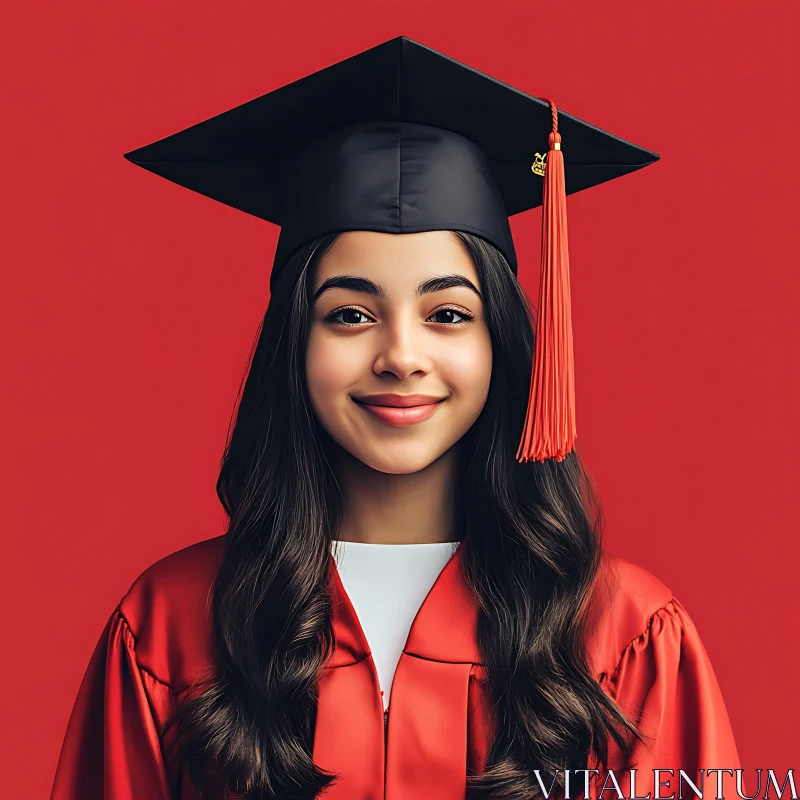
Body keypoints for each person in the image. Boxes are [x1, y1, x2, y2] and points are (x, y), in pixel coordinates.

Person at [50, 36, 740, 800]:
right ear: (294, 344)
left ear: (502, 344)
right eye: (349, 314)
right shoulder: (172, 625)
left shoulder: (623, 632)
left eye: (447, 313)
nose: (401, 355)